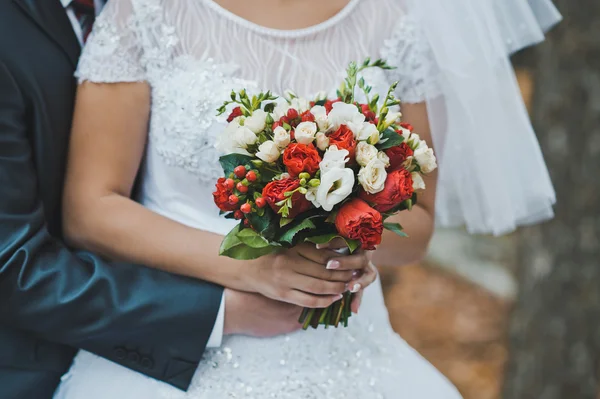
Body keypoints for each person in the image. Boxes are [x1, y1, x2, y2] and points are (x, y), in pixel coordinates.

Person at [53, 0, 562, 398]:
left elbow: (419, 226)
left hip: (349, 354)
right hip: (176, 344)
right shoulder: (145, 11)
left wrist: (347, 237)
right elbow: (91, 207)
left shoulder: (398, 20)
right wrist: (249, 268)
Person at [0, 1, 369, 398]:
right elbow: (13, 266)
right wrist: (232, 298)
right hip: (43, 358)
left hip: (323, 333)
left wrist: (342, 247)